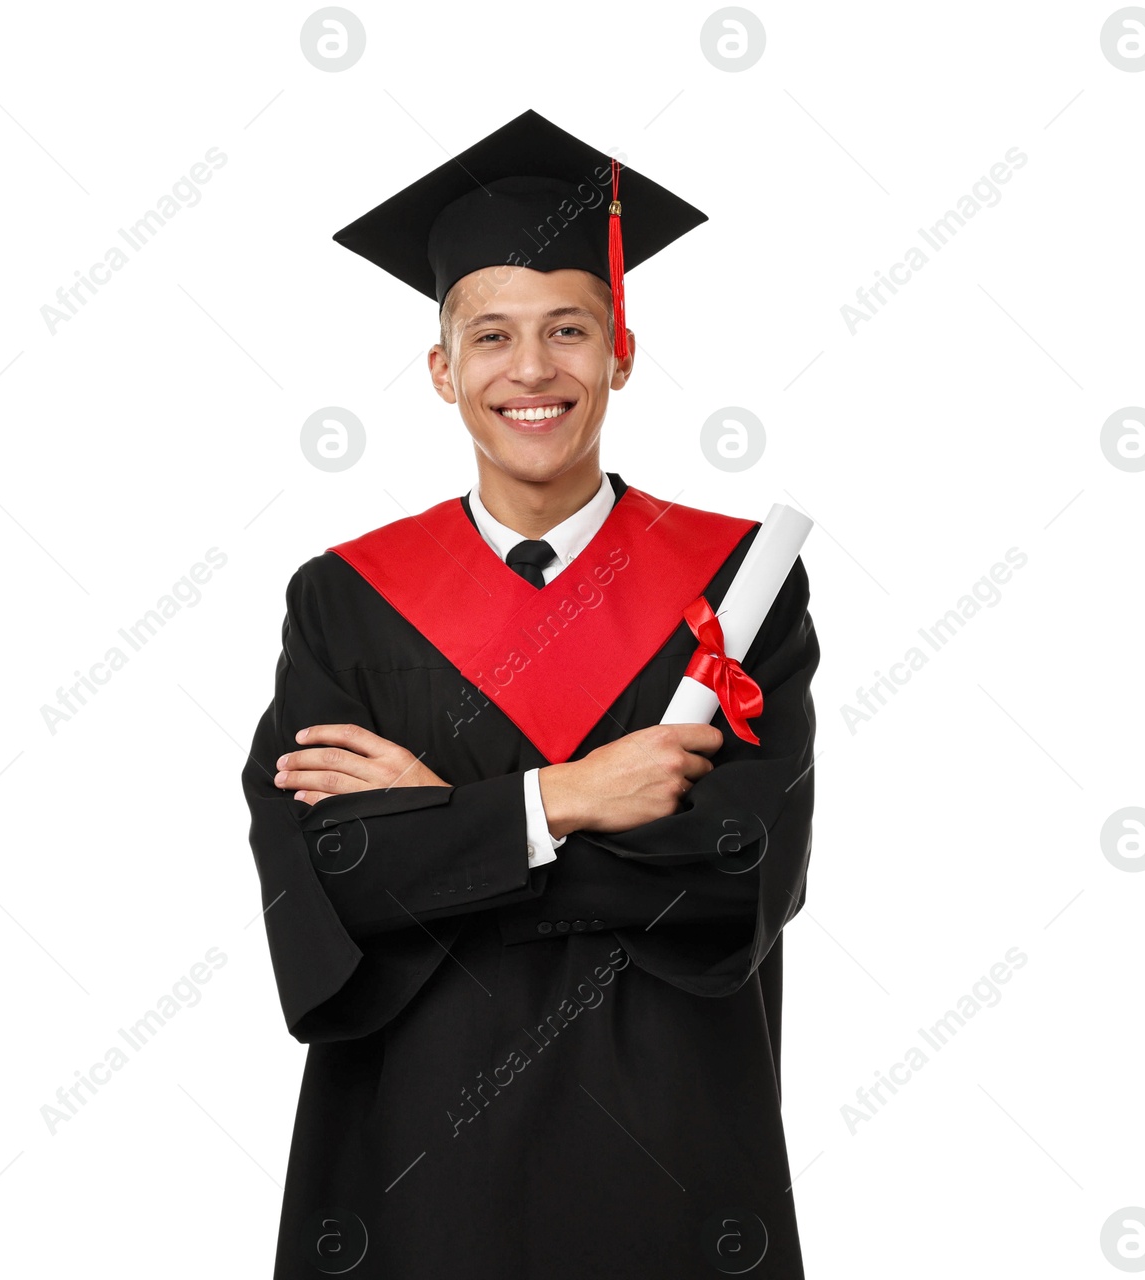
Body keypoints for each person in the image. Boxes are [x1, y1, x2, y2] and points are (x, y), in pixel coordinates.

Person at [242, 109, 820, 1278]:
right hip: (411, 1165)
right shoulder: (345, 600)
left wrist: (444, 828)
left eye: (569, 328)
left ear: (621, 351)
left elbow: (741, 875)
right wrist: (563, 799)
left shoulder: (739, 584)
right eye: (492, 335)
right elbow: (329, 885)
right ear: (443, 368)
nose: (533, 369)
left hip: (674, 1159)